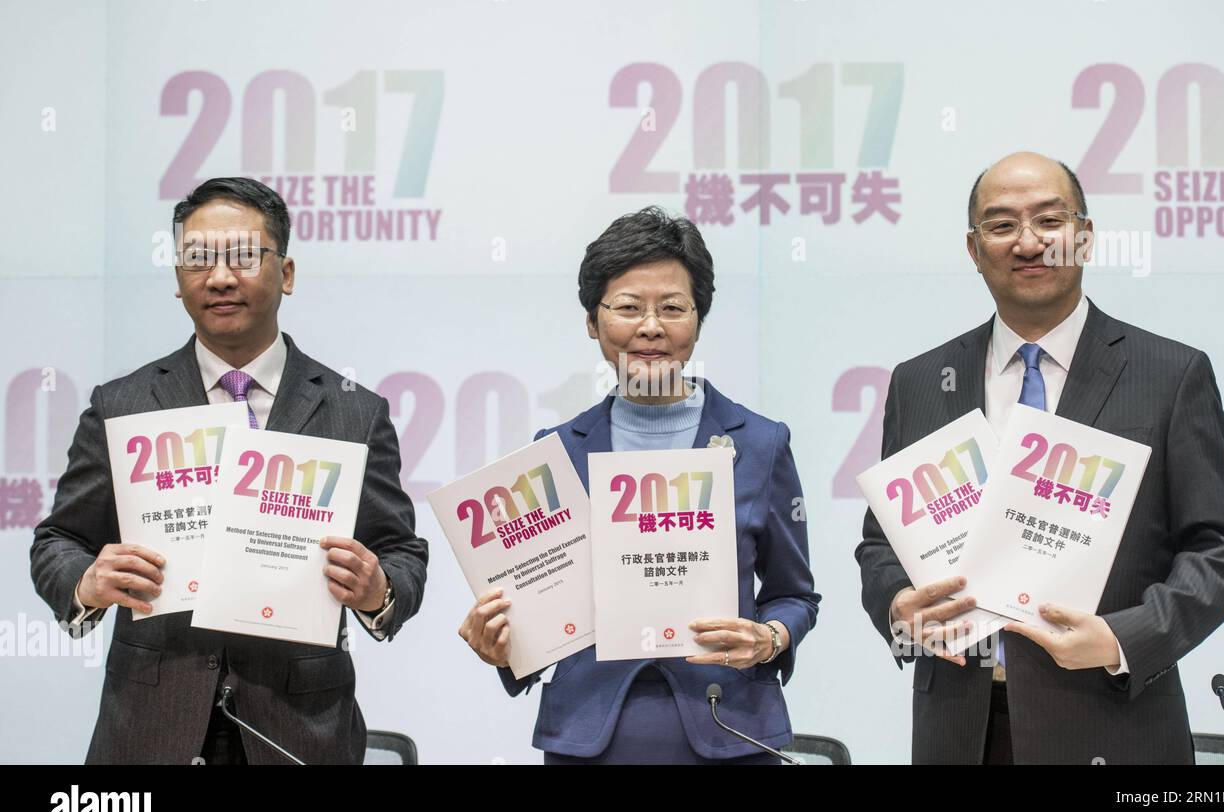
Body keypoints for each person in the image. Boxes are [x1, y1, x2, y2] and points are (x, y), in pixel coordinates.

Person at [856, 152, 1224, 764]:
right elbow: (880, 546)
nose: (1028, 242)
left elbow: (1221, 552)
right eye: (1001, 224)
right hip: (960, 730)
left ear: (1085, 237)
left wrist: (1125, 637)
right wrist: (897, 606)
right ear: (972, 248)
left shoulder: (1171, 375)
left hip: (1113, 722)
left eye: (1049, 220)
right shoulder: (919, 382)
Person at [30, 177, 428, 764]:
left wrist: (378, 589)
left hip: (299, 730)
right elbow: (58, 541)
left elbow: (400, 550)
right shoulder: (123, 404)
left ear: (286, 274)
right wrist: (87, 581)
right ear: (177, 279)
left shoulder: (353, 411)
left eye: (243, 256)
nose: (219, 277)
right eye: (198, 259)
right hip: (150, 728)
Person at [459, 207, 820, 763]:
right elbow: (535, 618)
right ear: (592, 320)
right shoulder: (553, 452)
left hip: (731, 728)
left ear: (699, 318)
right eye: (628, 308)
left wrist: (769, 638)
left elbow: (794, 593)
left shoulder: (761, 443)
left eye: (673, 308)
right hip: (589, 734)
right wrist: (503, 647)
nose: (651, 328)